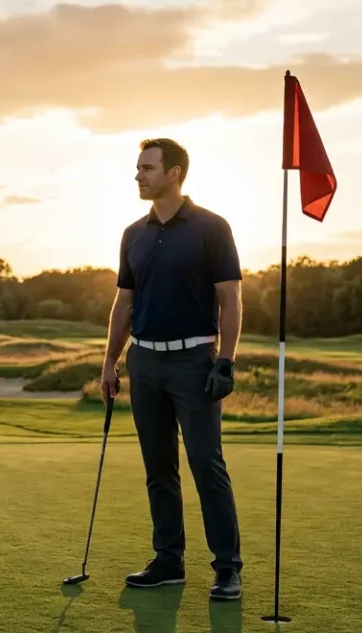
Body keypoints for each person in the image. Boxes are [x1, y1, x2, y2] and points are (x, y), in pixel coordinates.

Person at [100, 137, 244, 601]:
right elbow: (124, 303)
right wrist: (109, 362)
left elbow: (230, 297)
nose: (138, 175)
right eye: (138, 168)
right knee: (158, 466)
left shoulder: (211, 228)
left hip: (192, 359)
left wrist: (225, 360)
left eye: (146, 167)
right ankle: (168, 561)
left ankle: (227, 569)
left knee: (206, 463)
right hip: (144, 361)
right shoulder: (133, 234)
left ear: (174, 173)